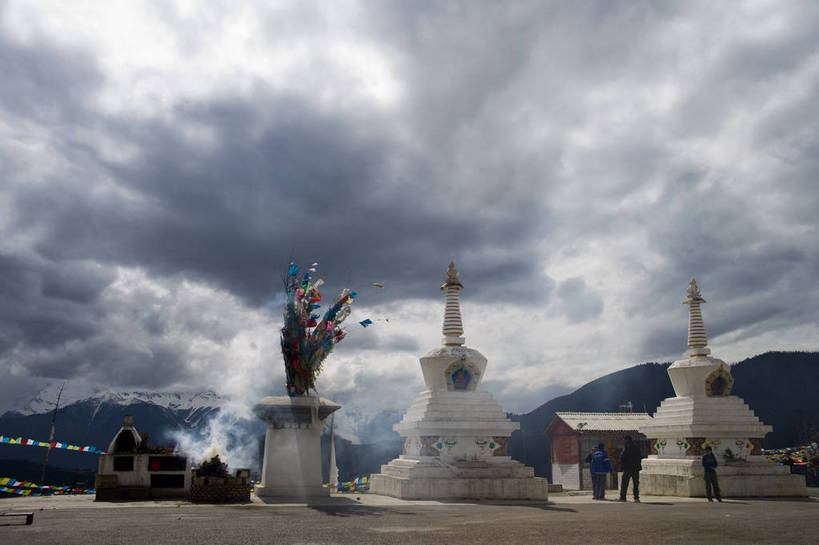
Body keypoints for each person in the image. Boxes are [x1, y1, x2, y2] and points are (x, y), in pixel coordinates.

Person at [619, 435, 642, 502]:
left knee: (625, 483)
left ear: (626, 440)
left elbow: (622, 457)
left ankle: (623, 497)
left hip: (627, 468)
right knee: (636, 484)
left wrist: (621, 464)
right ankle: (636, 497)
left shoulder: (627, 447)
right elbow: (640, 456)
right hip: (636, 468)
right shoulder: (637, 447)